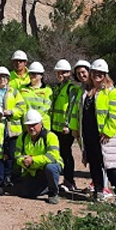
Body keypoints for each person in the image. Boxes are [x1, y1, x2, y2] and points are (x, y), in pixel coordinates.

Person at [70, 59, 116, 207]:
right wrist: (75, 129)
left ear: (105, 74)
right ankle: (98, 191)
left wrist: (107, 132)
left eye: (101, 73)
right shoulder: (85, 92)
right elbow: (78, 113)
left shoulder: (112, 93)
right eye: (95, 72)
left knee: (110, 165)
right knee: (94, 164)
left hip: (105, 136)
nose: (97, 75)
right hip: (89, 134)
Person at [0, 66, 26, 186]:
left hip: (11, 127)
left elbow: (22, 108)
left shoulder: (14, 92)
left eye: (4, 77)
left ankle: (9, 177)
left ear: (8, 79)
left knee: (11, 154)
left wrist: (11, 112)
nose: (2, 79)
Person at [11, 109, 63, 204]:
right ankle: (45, 186)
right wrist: (23, 161)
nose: (31, 128)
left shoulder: (51, 136)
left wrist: (33, 160)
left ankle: (53, 193)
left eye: (34, 125)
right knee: (26, 194)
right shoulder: (22, 138)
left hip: (48, 166)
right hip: (33, 169)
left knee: (50, 168)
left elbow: (53, 156)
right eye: (29, 125)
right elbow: (17, 156)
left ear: (41, 124)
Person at [50, 59, 80, 191]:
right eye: (59, 72)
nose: (61, 75)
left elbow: (72, 107)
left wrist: (67, 125)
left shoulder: (71, 89)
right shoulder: (58, 88)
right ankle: (62, 180)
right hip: (56, 128)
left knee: (66, 154)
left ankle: (69, 181)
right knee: (60, 154)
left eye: (64, 72)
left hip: (65, 129)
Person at [20, 62, 53, 130]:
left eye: (35, 74)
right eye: (31, 73)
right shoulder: (22, 89)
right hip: (27, 124)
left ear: (41, 75)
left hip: (43, 124)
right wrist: (27, 117)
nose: (32, 76)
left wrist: (33, 117)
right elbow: (21, 105)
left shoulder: (47, 90)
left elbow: (46, 107)